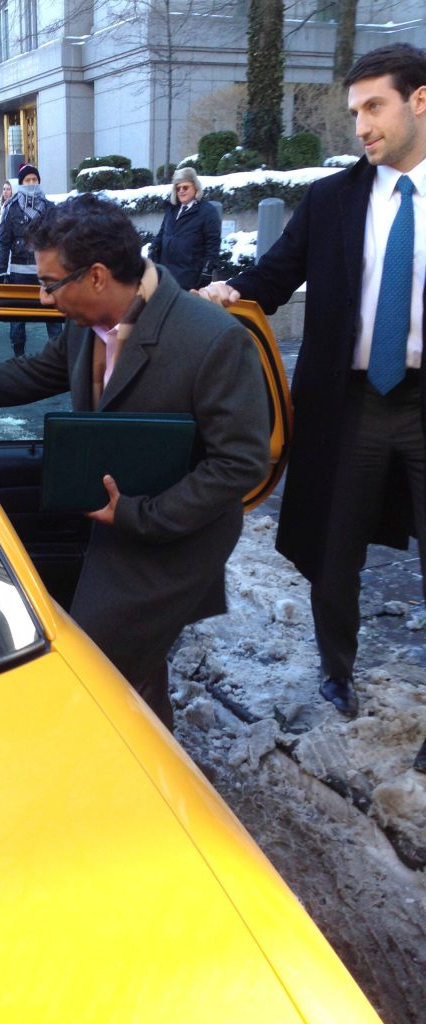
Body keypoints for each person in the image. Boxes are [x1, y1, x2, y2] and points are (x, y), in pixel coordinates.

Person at [0, 194, 270, 728]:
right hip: (111, 524)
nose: (41, 298)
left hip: (173, 535)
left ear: (98, 276)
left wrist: (140, 515)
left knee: (97, 669)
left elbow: (241, 464)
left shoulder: (212, 339)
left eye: (51, 284)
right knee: (129, 668)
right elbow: (27, 376)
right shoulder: (87, 329)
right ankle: (151, 756)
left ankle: (137, 781)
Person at [199, 43, 426, 771]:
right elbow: (272, 274)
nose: (359, 125)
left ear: (420, 101)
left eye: (374, 107)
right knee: (334, 550)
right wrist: (224, 293)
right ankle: (337, 671)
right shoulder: (333, 200)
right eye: (354, 110)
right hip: (347, 403)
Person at [0, 163, 61, 356]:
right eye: (27, 180)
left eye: (34, 179)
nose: (31, 183)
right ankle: (19, 354)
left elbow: (58, 239)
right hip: (19, 273)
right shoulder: (12, 208)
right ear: (21, 183)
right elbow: (4, 241)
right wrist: (2, 271)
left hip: (46, 272)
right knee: (18, 317)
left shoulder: (50, 208)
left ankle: (58, 354)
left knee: (53, 316)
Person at [149, 167, 221, 290]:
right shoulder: (171, 209)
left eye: (185, 187)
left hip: (189, 279)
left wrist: (207, 269)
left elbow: (213, 243)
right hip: (165, 276)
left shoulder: (207, 212)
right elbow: (162, 233)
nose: (181, 191)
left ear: (195, 187)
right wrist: (154, 247)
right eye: (178, 188)